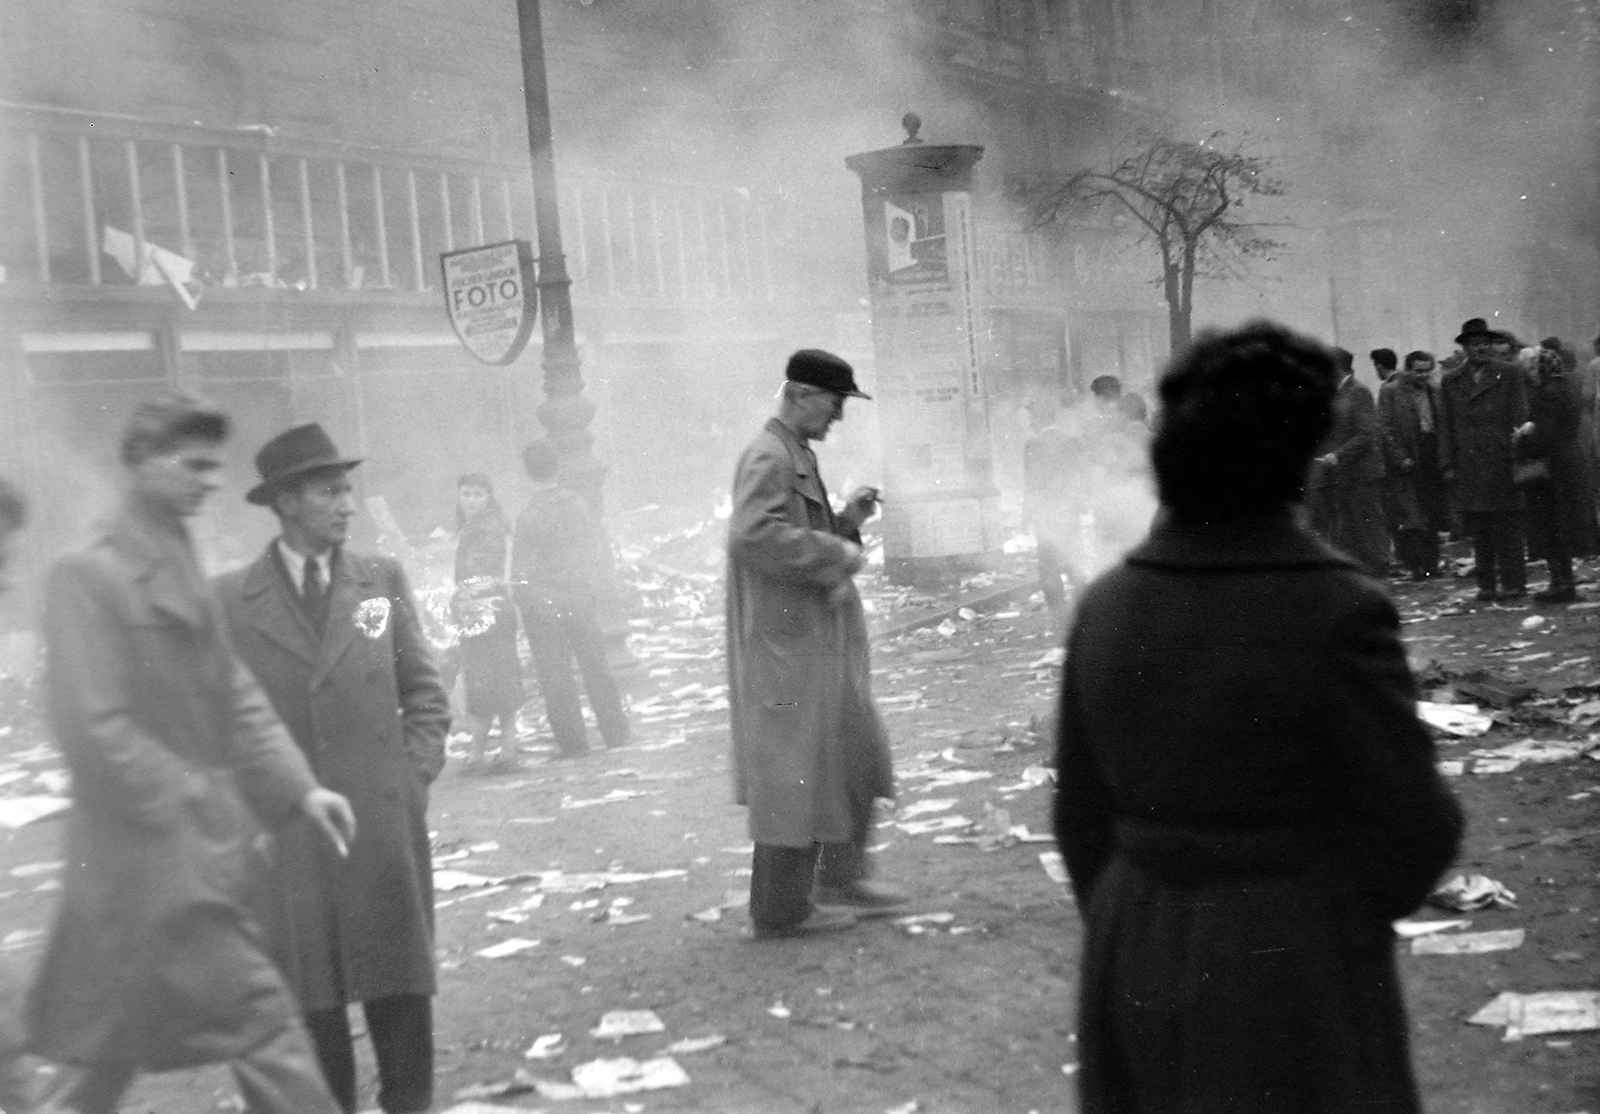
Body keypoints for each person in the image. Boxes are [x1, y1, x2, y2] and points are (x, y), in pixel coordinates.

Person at [1053, 320, 1462, 1114]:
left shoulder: (1107, 605)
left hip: (1135, 937)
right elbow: (1416, 828)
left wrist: (1139, 908)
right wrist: (1327, 911)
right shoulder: (1339, 606)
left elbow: (1078, 814)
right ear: (1297, 456)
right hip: (1293, 953)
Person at [24, 396, 356, 1114]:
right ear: (142, 462)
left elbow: (231, 691)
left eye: (215, 465)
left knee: (101, 1064)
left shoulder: (176, 554)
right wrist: (196, 797)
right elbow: (93, 729)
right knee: (267, 1029)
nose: (211, 481)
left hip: (176, 866)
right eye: (194, 465)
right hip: (147, 870)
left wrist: (300, 789)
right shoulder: (89, 575)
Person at [215, 423, 450, 1114]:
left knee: (401, 992)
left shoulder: (377, 582)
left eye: (347, 488)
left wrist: (412, 778)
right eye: (329, 491)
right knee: (312, 1003)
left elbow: (421, 691)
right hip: (291, 833)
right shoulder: (231, 601)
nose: (348, 504)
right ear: (286, 503)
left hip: (379, 824)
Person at [726, 349, 905, 939]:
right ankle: (781, 910)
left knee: (853, 753)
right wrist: (838, 552)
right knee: (793, 773)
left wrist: (846, 522)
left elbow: (794, 532)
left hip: (815, 644)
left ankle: (839, 878)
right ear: (801, 394)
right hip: (789, 648)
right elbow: (753, 535)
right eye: (834, 404)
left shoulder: (793, 453)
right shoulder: (769, 456)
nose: (838, 418)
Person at [509, 439, 630, 758]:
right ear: (557, 467)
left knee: (555, 677)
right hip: (578, 598)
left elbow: (519, 572)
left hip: (544, 605)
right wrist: (589, 591)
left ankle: (574, 743)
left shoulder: (527, 517)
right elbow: (596, 552)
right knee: (596, 668)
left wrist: (530, 605)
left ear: (527, 474)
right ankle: (616, 733)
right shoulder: (577, 506)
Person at [1439, 317, 1531, 601]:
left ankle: (1514, 584)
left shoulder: (1510, 373)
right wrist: (1447, 464)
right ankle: (1487, 585)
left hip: (1502, 459)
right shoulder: (1451, 380)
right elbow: (1445, 425)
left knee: (1508, 527)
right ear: (1465, 347)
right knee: (1479, 530)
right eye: (1474, 344)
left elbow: (1521, 416)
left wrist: (1520, 455)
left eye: (1485, 343)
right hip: (1469, 463)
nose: (1480, 348)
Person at [452, 472, 525, 772]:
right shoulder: (485, 526)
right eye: (466, 494)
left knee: (481, 685)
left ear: (489, 497)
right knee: (502, 681)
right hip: (496, 611)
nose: (471, 500)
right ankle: (505, 751)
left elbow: (475, 577)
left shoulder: (484, 530)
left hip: (483, 612)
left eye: (478, 494)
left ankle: (476, 755)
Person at [1517, 344, 1599, 603]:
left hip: (1552, 467)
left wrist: (1523, 437)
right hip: (1568, 461)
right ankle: (1564, 582)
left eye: (1532, 367)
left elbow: (1544, 433)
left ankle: (1561, 583)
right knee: (1562, 522)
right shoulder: (1565, 387)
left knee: (1551, 523)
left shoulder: (1546, 393)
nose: (1529, 373)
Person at [1309, 347, 1388, 576]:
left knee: (1369, 524)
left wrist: (1337, 456)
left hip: (1362, 472)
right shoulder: (1337, 393)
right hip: (1344, 473)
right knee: (1353, 526)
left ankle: (1379, 570)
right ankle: (1367, 570)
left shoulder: (1358, 392)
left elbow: (1366, 434)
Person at [1379, 350, 1446, 578]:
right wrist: (1400, 457)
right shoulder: (1391, 391)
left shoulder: (1435, 390)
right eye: (1418, 371)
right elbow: (1385, 428)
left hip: (1431, 453)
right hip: (1408, 457)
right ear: (1407, 370)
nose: (1423, 376)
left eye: (1428, 371)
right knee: (1410, 515)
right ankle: (1415, 564)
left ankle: (1432, 563)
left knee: (1432, 512)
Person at [1023, 393, 1076, 629]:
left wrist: (1025, 515)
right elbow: (1078, 474)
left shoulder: (1033, 444)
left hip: (1045, 510)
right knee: (1073, 557)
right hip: (1068, 508)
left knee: (1047, 564)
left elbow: (1031, 482)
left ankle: (1059, 615)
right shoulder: (1069, 441)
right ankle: (1084, 607)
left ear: (1037, 418)